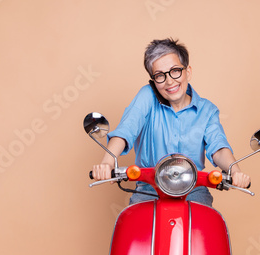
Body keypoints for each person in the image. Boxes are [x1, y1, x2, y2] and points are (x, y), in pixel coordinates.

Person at [92, 38, 250, 206]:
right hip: (148, 190)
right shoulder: (147, 96)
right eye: (160, 75)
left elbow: (218, 148)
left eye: (175, 71)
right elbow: (126, 130)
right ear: (153, 80)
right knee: (130, 229)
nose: (169, 81)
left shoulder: (207, 110)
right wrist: (107, 162)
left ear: (187, 72)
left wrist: (235, 171)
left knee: (210, 229)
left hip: (193, 192)